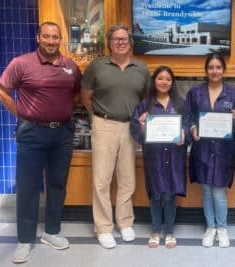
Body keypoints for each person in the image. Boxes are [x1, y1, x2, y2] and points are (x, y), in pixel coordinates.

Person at [0, 22, 81, 263]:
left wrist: (62, 112)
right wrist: (22, 114)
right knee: (28, 187)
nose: (51, 41)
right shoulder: (21, 63)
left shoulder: (70, 66)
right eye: (47, 36)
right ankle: (25, 240)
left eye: (55, 37)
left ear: (60, 39)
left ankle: (52, 232)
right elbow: (1, 92)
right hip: (31, 134)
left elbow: (75, 94)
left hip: (62, 134)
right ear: (38, 37)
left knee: (57, 185)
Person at [81, 24, 150, 249]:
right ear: (109, 43)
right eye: (116, 39)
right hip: (104, 124)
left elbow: (146, 99)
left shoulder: (141, 68)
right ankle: (103, 227)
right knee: (102, 180)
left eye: (124, 39)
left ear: (130, 43)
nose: (121, 42)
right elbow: (86, 96)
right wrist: (98, 118)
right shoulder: (97, 66)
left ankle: (125, 222)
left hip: (130, 127)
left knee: (127, 179)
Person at [183, 53, 235, 248]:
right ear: (206, 70)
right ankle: (210, 227)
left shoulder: (233, 94)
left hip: (223, 150)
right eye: (211, 67)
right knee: (206, 190)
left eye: (218, 67)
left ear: (223, 70)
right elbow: (188, 118)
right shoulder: (195, 93)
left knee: (218, 191)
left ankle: (222, 227)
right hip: (202, 148)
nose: (214, 71)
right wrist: (193, 128)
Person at [130, 65, 187, 249]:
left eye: (168, 79)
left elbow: (188, 123)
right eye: (160, 78)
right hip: (153, 156)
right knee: (155, 194)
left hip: (174, 156)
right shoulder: (145, 104)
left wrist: (184, 134)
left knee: (169, 195)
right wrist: (141, 125)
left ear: (172, 82)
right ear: (154, 81)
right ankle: (155, 231)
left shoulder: (180, 103)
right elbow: (135, 128)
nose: (164, 82)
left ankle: (169, 232)